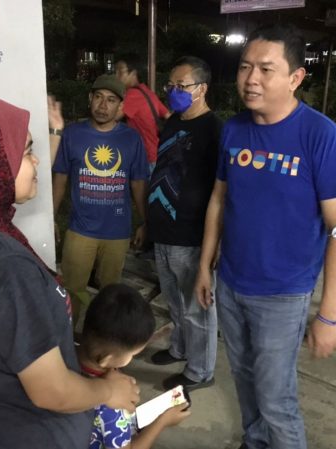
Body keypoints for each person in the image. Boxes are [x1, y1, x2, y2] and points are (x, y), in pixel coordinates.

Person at [0, 93, 140, 449]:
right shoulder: (3, 266)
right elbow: (52, 391)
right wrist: (108, 390)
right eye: (25, 151)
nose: (35, 160)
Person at [194, 24, 336, 449]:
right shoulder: (234, 130)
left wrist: (328, 314)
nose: (251, 79)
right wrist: (205, 266)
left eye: (266, 69)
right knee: (244, 381)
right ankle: (255, 442)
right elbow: (219, 199)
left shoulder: (321, 137)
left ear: (296, 77)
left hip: (283, 294)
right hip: (231, 283)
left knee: (276, 399)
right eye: (245, 67)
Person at [147, 56, 222, 391]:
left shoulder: (215, 130)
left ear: (201, 89)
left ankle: (201, 370)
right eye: (170, 85)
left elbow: (222, 192)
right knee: (174, 302)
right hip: (163, 232)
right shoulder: (173, 122)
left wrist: (215, 244)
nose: (173, 91)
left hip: (191, 237)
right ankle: (180, 348)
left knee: (197, 308)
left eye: (181, 86)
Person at [52, 75, 150, 324]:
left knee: (110, 295)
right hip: (80, 230)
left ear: (120, 106)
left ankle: (101, 339)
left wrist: (146, 222)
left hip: (117, 232)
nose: (103, 105)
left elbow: (138, 184)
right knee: (72, 291)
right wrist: (50, 218)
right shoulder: (72, 134)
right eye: (98, 97)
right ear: (90, 99)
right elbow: (60, 178)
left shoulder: (131, 139)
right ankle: (68, 338)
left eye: (111, 100)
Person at [77, 283, 190, 449]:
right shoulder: (112, 406)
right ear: (107, 359)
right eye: (132, 354)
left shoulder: (61, 356)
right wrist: (162, 421)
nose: (131, 359)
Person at [115, 53, 171, 173]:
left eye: (120, 72)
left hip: (145, 158)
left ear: (133, 73)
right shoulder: (148, 92)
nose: (116, 76)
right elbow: (168, 116)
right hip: (157, 153)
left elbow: (111, 118)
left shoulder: (132, 95)